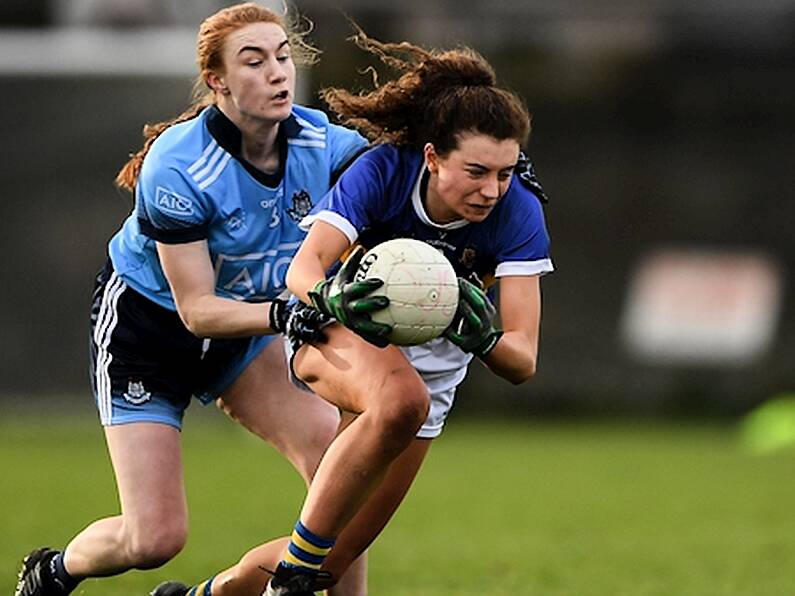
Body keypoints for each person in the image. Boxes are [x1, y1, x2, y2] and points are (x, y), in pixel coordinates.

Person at [160, 29, 553, 596]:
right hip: (339, 334)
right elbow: (304, 268)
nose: (492, 190)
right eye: (476, 171)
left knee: (335, 559)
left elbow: (523, 359)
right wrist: (330, 298)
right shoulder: (384, 172)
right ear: (432, 157)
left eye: (504, 172)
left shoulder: (518, 213)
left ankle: (211, 593)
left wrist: (485, 339)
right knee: (400, 400)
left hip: (435, 381)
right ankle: (292, 578)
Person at [14, 4, 371, 596]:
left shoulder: (326, 143)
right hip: (149, 336)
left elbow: (404, 178)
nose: (277, 72)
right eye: (253, 61)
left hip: (246, 335)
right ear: (218, 81)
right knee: (153, 540)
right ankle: (55, 571)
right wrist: (283, 313)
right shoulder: (178, 166)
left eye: (282, 56)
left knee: (342, 477)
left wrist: (498, 179)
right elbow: (197, 311)